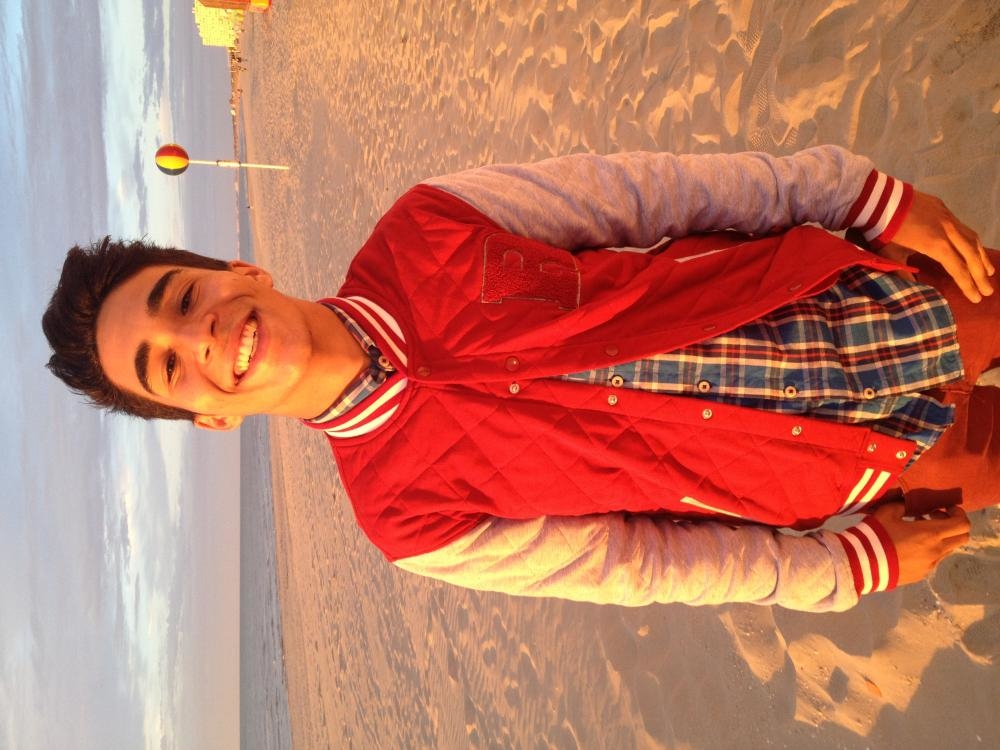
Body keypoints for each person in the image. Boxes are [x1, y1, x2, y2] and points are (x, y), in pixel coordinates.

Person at [43, 146, 996, 611]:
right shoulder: (407, 522)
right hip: (858, 468)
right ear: (207, 420)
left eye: (180, 297)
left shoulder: (427, 223)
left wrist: (863, 196)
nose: (200, 336)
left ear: (239, 270)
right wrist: (840, 571)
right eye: (168, 367)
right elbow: (641, 566)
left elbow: (662, 194)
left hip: (859, 297)